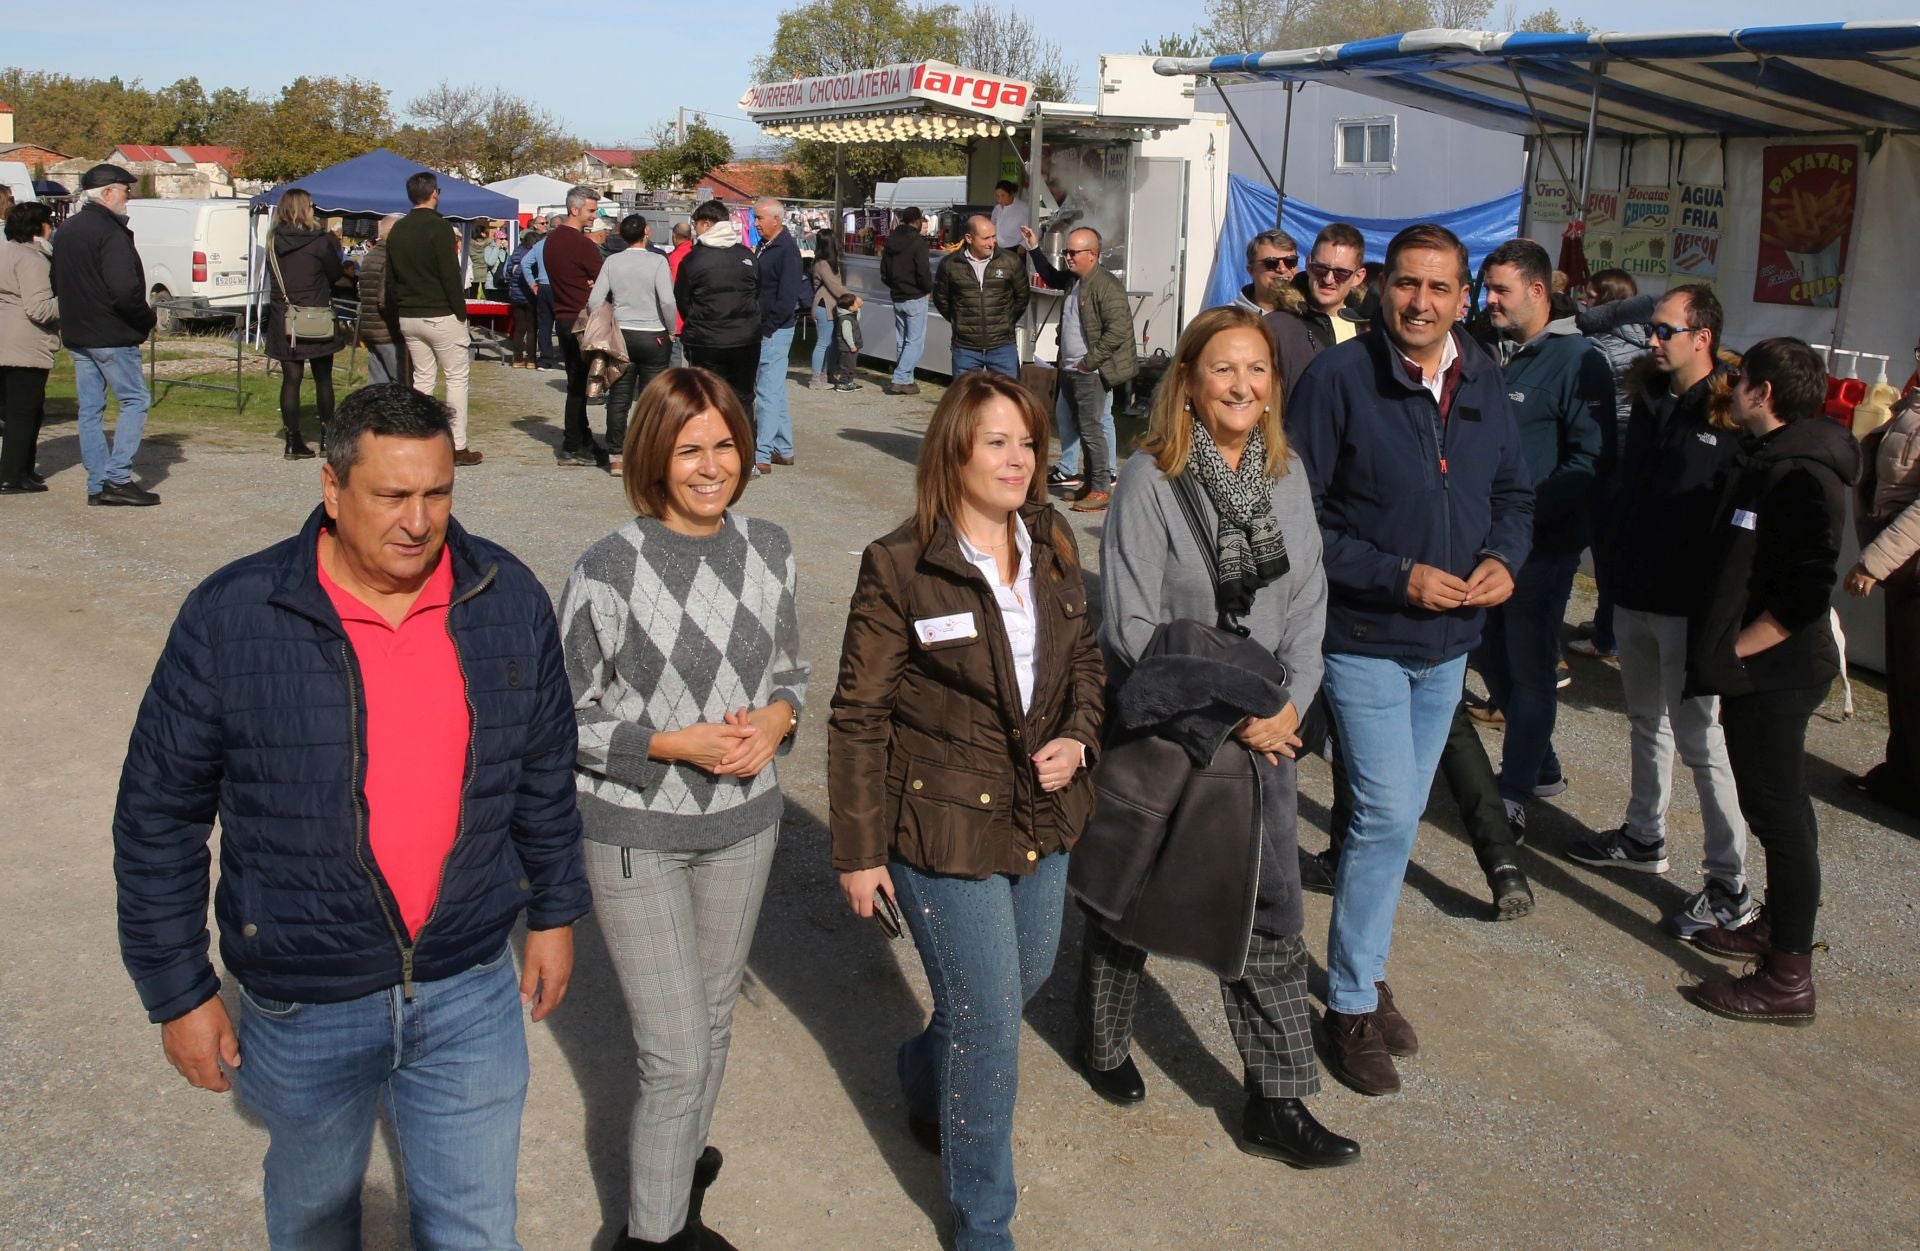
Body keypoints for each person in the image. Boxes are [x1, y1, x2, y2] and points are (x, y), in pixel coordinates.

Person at [112, 383, 588, 1249]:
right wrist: (178, 990)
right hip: (305, 1000)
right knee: (316, 1221)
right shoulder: (234, 615)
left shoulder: (505, 595)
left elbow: (544, 770)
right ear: (332, 491)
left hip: (468, 986)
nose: (418, 519)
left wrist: (555, 911)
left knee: (477, 1231)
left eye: (437, 493)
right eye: (392, 495)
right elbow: (159, 815)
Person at [1075, 304, 1358, 1168]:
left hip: (1269, 735)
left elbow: (1308, 603)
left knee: (1270, 910)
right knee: (1133, 893)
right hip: (1177, 727)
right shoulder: (1149, 479)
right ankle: (1102, 1039)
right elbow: (1127, 626)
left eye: (1258, 370)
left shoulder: (1286, 474)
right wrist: (1232, 710)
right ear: (1190, 383)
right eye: (1224, 369)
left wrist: (1292, 708)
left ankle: (1276, 1100)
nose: (1243, 385)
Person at [828, 371, 1103, 1251]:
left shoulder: (1053, 538)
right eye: (996, 440)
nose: (1018, 458)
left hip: (1042, 814)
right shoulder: (901, 561)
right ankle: (984, 1224)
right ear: (953, 449)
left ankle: (919, 1065)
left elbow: (1087, 661)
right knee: (989, 1028)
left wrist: (1083, 740)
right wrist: (860, 851)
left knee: (1013, 985)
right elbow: (859, 713)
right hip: (941, 823)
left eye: (1027, 441)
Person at [559, 367, 806, 1251]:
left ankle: (677, 1177)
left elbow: (791, 673)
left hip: (745, 826)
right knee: (675, 1058)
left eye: (726, 443)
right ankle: (654, 1237)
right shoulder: (607, 565)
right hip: (637, 831)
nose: (712, 465)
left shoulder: (771, 546)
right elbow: (566, 715)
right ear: (653, 457)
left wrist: (777, 720)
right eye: (689, 448)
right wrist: (672, 744)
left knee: (709, 1023)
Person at [1288, 223, 1533, 1097]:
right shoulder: (1337, 379)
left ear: (1463, 298)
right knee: (1388, 817)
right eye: (1407, 286)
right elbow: (1297, 520)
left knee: (1385, 823)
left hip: (1450, 646)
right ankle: (1349, 1003)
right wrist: (1396, 576)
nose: (1421, 303)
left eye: (1440, 288)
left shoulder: (1483, 376)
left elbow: (1513, 491)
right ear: (1380, 290)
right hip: (1364, 639)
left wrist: (1505, 556)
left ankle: (1366, 965)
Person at [1566, 284, 1756, 941]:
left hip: (1691, 609)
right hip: (1635, 594)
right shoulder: (1648, 395)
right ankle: (1645, 834)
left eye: (1666, 330)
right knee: (1646, 722)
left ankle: (1730, 884)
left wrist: (1724, 609)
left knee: (1704, 742)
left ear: (1702, 335)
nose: (1652, 338)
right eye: (1652, 328)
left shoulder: (1732, 409)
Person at [1684, 338, 1858, 1024]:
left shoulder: (1801, 473)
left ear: (1764, 392)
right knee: (1772, 812)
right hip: (1761, 671)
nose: (1729, 386)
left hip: (1777, 675)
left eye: (1739, 378)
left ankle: (1788, 976)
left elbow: (1806, 591)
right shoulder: (1770, 457)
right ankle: (1776, 930)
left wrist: (1735, 656)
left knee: (1783, 819)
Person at [1474, 238, 1607, 831]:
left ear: (1537, 291)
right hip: (1482, 543)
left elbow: (1591, 460)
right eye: (1487, 288)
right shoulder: (1488, 349)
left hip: (1541, 549)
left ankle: (1516, 791)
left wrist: (1528, 518)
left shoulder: (1580, 361)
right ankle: (1543, 765)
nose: (1489, 300)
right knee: (1485, 653)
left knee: (1529, 668)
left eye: (1500, 290)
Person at [52, 163, 159, 506]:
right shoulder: (109, 232)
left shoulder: (67, 230)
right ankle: (116, 478)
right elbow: (124, 289)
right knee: (135, 400)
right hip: (110, 332)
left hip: (78, 330)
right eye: (126, 190)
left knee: (91, 408)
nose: (129, 196)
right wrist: (145, 318)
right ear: (108, 192)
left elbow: (57, 281)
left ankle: (98, 481)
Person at [1845, 343, 1920, 818]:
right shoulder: (1913, 400)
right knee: (1906, 678)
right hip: (1907, 572)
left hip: (1910, 564)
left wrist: (1875, 561)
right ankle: (1902, 774)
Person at [1567, 269, 1656, 660]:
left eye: (1589, 297)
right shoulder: (1652, 341)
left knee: (1602, 551)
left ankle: (1606, 636)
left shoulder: (1599, 346)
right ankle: (1610, 626)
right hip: (1635, 459)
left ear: (1607, 302)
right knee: (1616, 549)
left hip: (1608, 458)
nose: (1583, 302)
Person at [1022, 224, 1135, 513]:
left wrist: (1088, 363)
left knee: (1092, 429)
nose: (1068, 257)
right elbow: (1049, 276)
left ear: (1093, 254)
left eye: (1073, 252)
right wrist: (1034, 247)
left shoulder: (1106, 286)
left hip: (1089, 373)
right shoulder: (1075, 279)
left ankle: (1100, 489)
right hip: (1072, 369)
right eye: (1066, 251)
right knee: (1083, 429)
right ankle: (1090, 483)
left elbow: (1118, 331)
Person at [385, 172, 481, 466]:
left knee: (422, 379)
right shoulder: (440, 228)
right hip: (440, 312)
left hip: (409, 313)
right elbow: (450, 275)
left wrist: (396, 310)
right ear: (434, 194)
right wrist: (460, 312)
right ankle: (456, 444)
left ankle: (418, 438)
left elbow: (392, 277)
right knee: (455, 378)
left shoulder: (398, 229)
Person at [587, 215, 677, 475]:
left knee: (619, 396)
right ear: (647, 232)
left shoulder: (612, 261)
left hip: (622, 333)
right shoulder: (658, 261)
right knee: (653, 398)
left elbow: (595, 300)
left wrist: (608, 319)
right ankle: (650, 453)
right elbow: (668, 301)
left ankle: (616, 455)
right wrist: (671, 329)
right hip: (654, 333)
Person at [262, 189, 344, 461]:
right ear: (304, 208)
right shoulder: (320, 241)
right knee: (323, 378)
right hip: (316, 312)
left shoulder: (274, 241)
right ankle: (327, 437)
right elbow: (334, 273)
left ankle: (292, 440)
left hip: (284, 314)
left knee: (291, 379)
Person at [674, 199, 760, 440]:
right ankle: (746, 457)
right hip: (746, 339)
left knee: (706, 398)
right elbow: (757, 293)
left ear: (706, 224)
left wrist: (699, 320)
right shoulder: (747, 256)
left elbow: (682, 299)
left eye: (696, 225)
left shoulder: (693, 259)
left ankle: (710, 449)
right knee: (743, 397)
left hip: (706, 340)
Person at [544, 185, 608, 467]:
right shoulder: (583, 245)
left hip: (563, 316)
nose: (595, 216)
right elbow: (603, 279)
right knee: (580, 384)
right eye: (591, 211)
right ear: (575, 209)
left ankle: (582, 439)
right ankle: (572, 444)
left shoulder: (551, 240)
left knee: (576, 380)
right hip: (582, 318)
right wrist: (591, 283)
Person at [0, 200, 59, 494]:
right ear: (40, 228)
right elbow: (39, 308)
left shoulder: (5, 250)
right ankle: (12, 474)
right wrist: (71, 299)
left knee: (19, 411)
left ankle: (22, 469)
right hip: (25, 342)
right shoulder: (31, 259)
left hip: (6, 337)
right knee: (24, 412)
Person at [932, 215, 1029, 381]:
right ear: (969, 238)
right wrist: (961, 321)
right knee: (967, 400)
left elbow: (1022, 297)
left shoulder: (1010, 262)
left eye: (993, 236)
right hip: (966, 348)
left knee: (1008, 398)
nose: (991, 243)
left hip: (1002, 346)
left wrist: (1004, 322)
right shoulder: (950, 265)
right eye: (985, 238)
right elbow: (941, 299)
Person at [752, 197, 807, 474]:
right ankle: (783, 448)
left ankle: (761, 453)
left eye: (760, 218)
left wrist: (769, 328)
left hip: (775, 329)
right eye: (755, 217)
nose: (756, 223)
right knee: (774, 390)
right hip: (769, 327)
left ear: (777, 219)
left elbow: (787, 297)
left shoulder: (787, 250)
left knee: (767, 393)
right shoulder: (766, 246)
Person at [1284, 222, 1369, 351]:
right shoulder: (1279, 325)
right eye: (1320, 268)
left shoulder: (1371, 328)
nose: (1328, 279)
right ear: (1308, 265)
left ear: (1358, 277)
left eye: (1341, 273)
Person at [881, 206, 933, 396]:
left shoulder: (890, 241)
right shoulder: (918, 243)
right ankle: (900, 378)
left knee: (902, 340)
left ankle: (907, 380)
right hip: (915, 296)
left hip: (897, 296)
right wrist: (928, 289)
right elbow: (923, 271)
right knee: (915, 342)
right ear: (918, 221)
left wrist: (895, 286)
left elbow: (884, 272)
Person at [354, 213, 405, 385]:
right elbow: (386, 299)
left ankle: (376, 412)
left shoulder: (372, 255)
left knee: (378, 384)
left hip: (371, 327)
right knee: (400, 383)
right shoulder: (389, 257)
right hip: (387, 331)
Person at [809, 227, 861, 392]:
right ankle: (816, 378)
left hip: (830, 307)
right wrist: (854, 299)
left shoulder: (827, 262)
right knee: (823, 343)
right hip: (824, 306)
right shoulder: (822, 264)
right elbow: (834, 286)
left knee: (830, 343)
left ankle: (826, 374)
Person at [522, 213, 564, 369]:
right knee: (564, 323)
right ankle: (564, 355)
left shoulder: (540, 244)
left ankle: (545, 360)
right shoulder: (564, 245)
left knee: (545, 324)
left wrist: (532, 283)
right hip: (559, 286)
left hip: (543, 286)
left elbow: (524, 263)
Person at [1231, 228, 1301, 315]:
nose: (1282, 269)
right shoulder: (1229, 321)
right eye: (1271, 262)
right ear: (1251, 271)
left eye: (1290, 261)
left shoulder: (1309, 316)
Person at [503, 225, 540, 369]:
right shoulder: (535, 254)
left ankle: (517, 359)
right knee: (532, 328)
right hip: (531, 295)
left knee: (519, 328)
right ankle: (531, 360)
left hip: (516, 296)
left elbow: (507, 272)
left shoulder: (516, 252)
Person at [989, 179, 1028, 253]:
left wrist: (1023, 245)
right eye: (997, 196)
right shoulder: (997, 209)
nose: (999, 199)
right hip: (997, 248)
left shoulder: (1023, 208)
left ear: (1011, 194)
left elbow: (1035, 230)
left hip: (1015, 249)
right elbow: (992, 225)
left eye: (1003, 196)